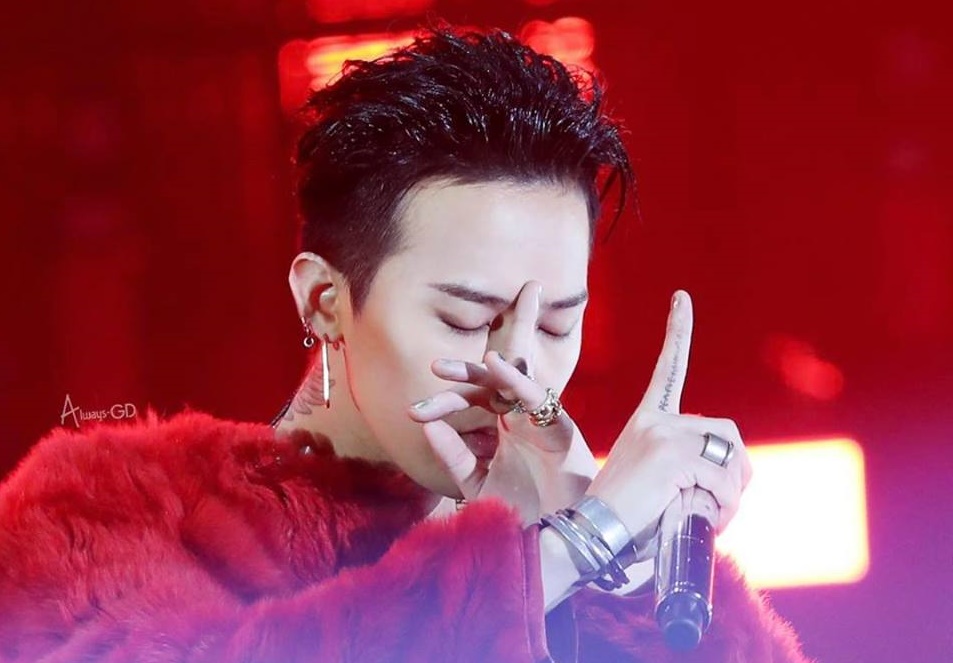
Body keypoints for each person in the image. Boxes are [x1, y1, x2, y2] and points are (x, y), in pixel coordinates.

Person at [0, 26, 811, 663]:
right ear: (325, 300)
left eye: (556, 324)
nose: (518, 368)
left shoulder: (575, 549)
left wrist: (626, 577)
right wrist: (575, 545)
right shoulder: (104, 510)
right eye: (465, 318)